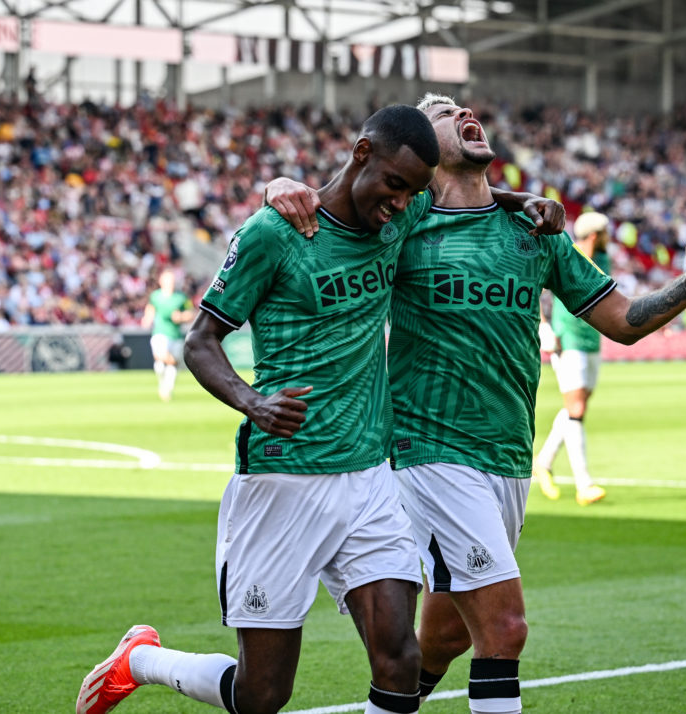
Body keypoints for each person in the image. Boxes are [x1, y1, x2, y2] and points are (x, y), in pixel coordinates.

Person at [266, 93, 686, 714]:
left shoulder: (534, 230)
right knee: (505, 628)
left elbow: (620, 321)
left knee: (451, 633)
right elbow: (332, 207)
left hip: (507, 456)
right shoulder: (404, 221)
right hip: (427, 451)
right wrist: (280, 187)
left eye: (463, 108)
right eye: (442, 114)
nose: (462, 114)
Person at [76, 104, 442, 714]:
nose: (401, 203)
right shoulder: (274, 233)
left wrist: (524, 202)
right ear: (360, 154)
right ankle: (139, 660)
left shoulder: (399, 216)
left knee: (401, 659)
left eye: (413, 193)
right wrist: (253, 402)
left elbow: (459, 188)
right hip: (282, 482)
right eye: (394, 185)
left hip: (368, 477)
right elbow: (200, 342)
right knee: (262, 695)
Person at [532, 211, 613, 505]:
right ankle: (584, 483)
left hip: (592, 339)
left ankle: (543, 462)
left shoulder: (603, 259)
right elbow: (536, 286)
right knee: (576, 409)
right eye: (604, 232)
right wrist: (543, 325)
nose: (608, 237)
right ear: (594, 235)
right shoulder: (567, 253)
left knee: (575, 409)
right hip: (569, 339)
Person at [140, 267, 194, 401]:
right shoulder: (155, 296)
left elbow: (192, 313)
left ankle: (166, 389)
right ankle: (163, 384)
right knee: (161, 357)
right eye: (167, 279)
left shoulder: (181, 298)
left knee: (172, 365)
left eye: (172, 279)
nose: (170, 282)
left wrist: (181, 317)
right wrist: (146, 320)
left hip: (175, 335)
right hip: (160, 333)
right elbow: (150, 310)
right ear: (161, 280)